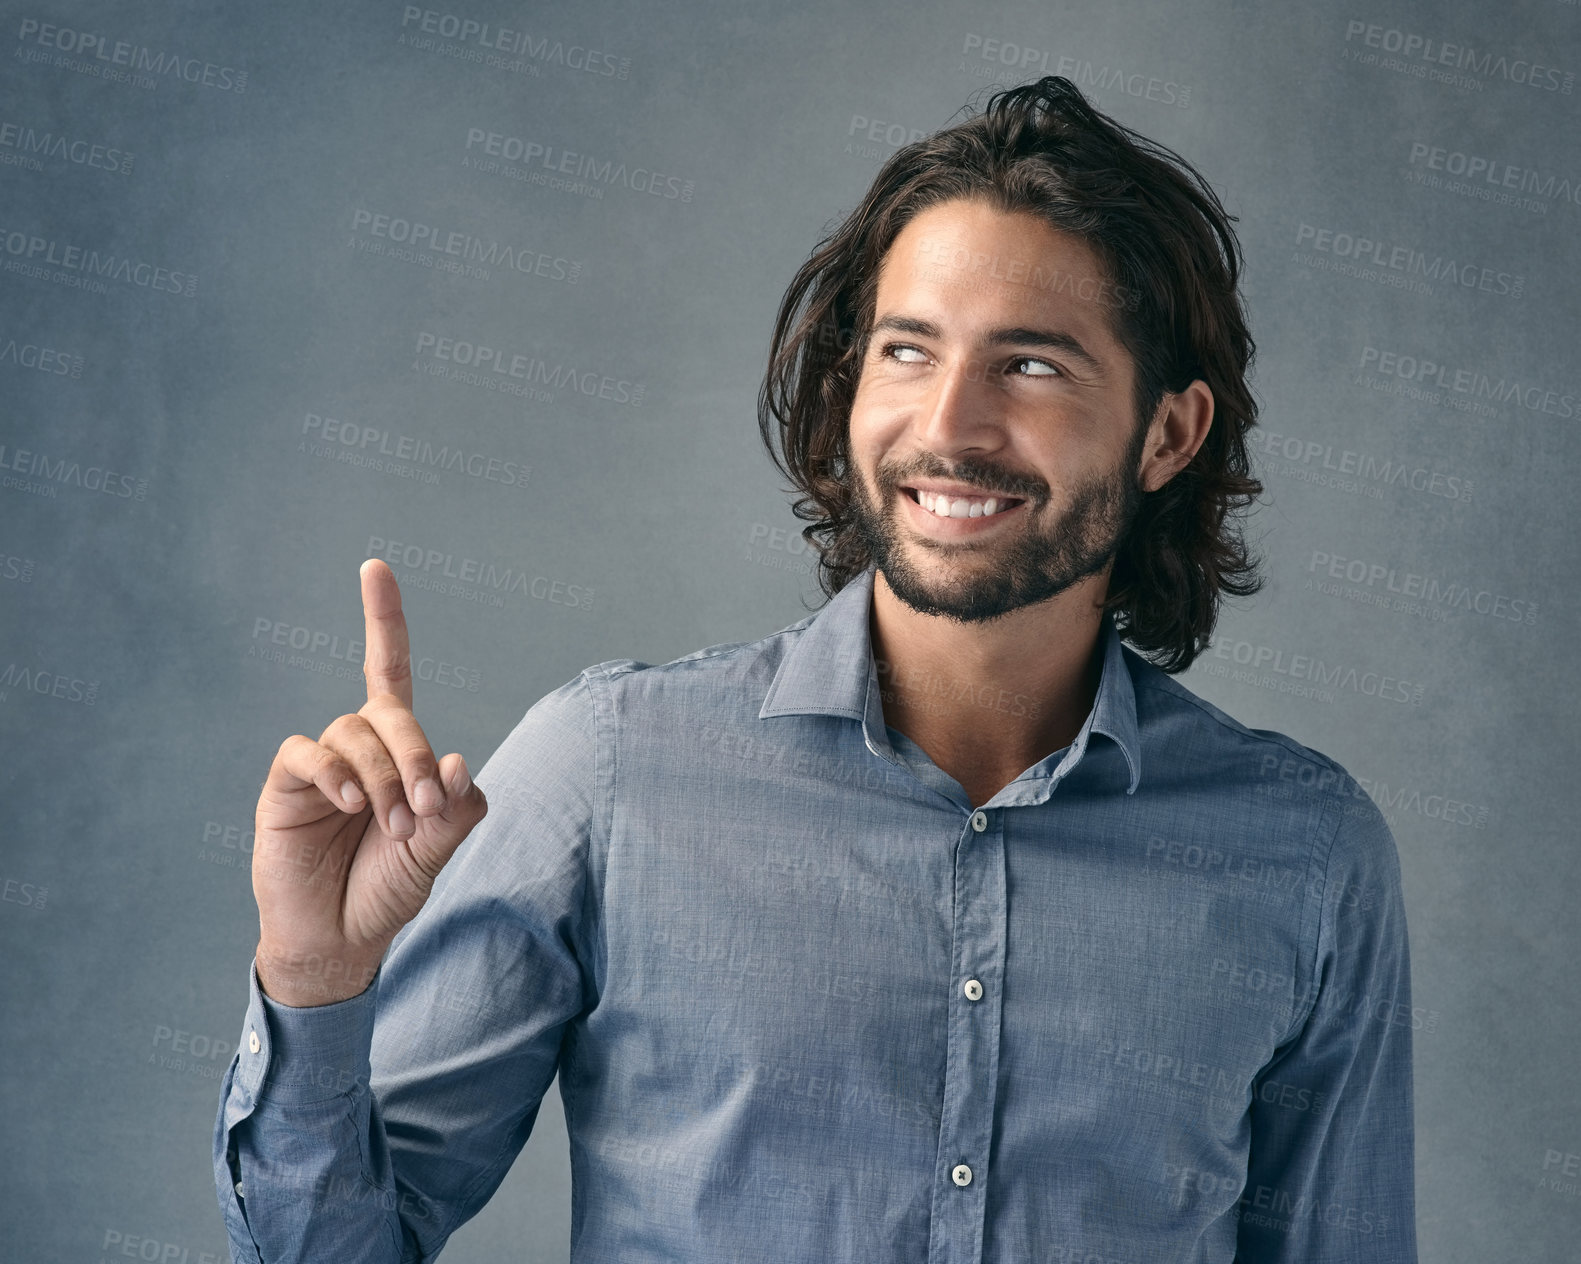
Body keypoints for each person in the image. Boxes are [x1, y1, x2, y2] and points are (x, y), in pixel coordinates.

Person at [213, 76, 1416, 1263]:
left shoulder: (1304, 851)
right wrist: (315, 980)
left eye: (1032, 365)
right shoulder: (612, 772)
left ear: (1169, 433)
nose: (949, 425)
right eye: (907, 350)